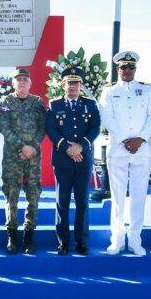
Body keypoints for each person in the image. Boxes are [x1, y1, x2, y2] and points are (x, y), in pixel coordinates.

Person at [99, 51, 151, 255]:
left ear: (135, 69)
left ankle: (135, 239)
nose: (127, 70)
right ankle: (117, 239)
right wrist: (126, 139)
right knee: (117, 197)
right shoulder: (109, 91)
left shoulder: (147, 90)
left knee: (139, 196)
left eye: (130, 67)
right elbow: (107, 117)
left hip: (141, 149)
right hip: (118, 149)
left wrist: (140, 138)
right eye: (123, 67)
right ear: (118, 69)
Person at [45, 66, 101, 255]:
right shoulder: (54, 105)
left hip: (83, 159)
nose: (73, 87)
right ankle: (63, 242)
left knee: (83, 201)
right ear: (63, 85)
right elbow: (51, 130)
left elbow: (95, 128)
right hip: (62, 160)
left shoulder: (90, 104)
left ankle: (82, 241)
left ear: (81, 85)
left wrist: (81, 146)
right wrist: (68, 148)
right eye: (69, 83)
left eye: (76, 83)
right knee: (62, 201)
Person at [0, 67, 47, 255]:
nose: (22, 82)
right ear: (13, 83)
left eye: (25, 79)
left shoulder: (37, 103)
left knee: (33, 195)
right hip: (12, 157)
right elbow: (5, 128)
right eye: (18, 79)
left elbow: (43, 128)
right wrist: (22, 147)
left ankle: (29, 236)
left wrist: (32, 147)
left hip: (33, 158)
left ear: (30, 83)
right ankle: (12, 235)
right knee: (11, 195)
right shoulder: (5, 102)